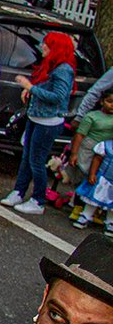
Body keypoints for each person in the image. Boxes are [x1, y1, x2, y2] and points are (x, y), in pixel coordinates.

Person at [2, 31, 76, 215]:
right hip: (37, 118)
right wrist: (31, 92)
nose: (43, 46)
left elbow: (59, 97)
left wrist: (30, 87)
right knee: (26, 158)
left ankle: (38, 200)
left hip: (48, 122)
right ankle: (18, 192)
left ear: (56, 48)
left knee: (36, 160)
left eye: (47, 44)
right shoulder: (52, 65)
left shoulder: (63, 69)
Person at [69, 89, 113, 228]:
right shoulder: (92, 116)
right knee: (85, 177)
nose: (112, 105)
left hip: (107, 154)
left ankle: (101, 214)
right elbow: (80, 135)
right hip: (89, 149)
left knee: (101, 183)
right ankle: (79, 208)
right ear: (101, 101)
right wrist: (74, 153)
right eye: (109, 101)